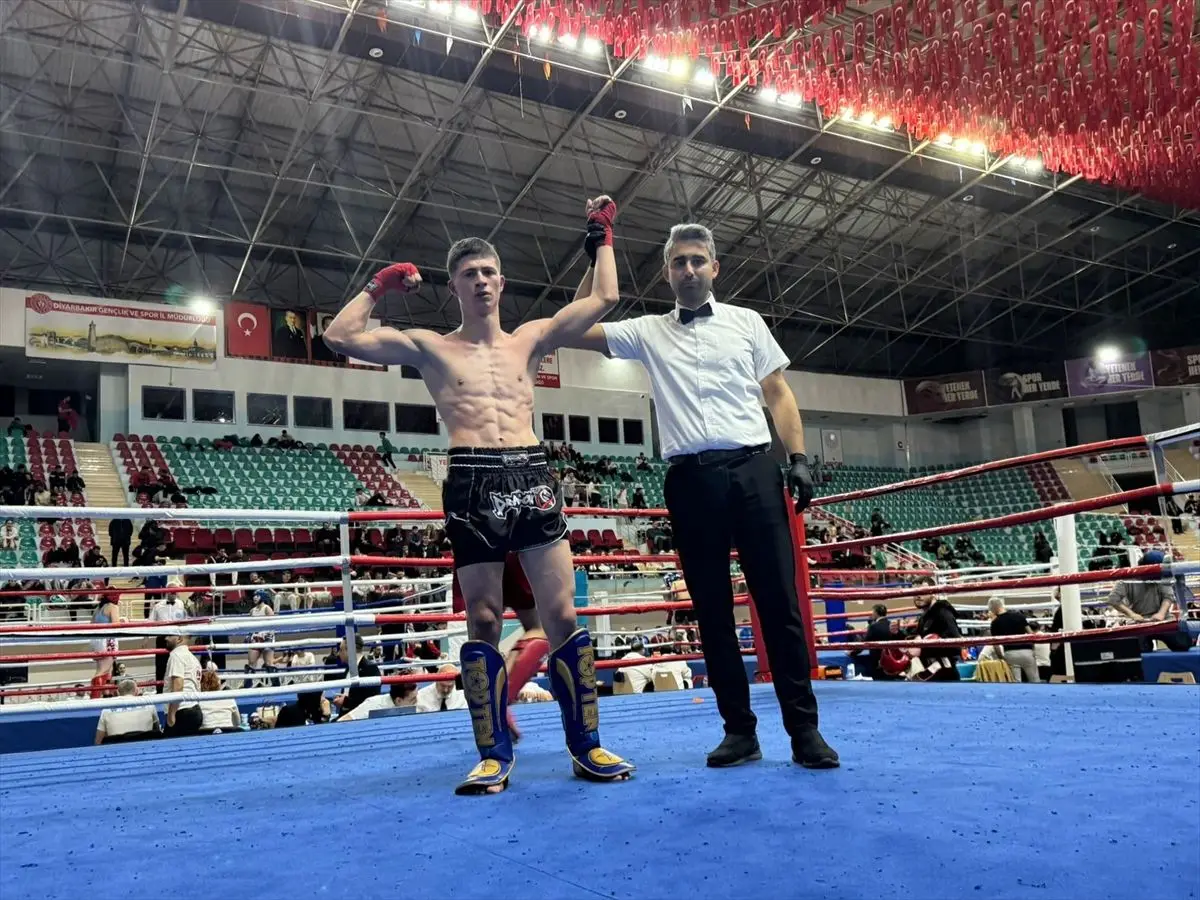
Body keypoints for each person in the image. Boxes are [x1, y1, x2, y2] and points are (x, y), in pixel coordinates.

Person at [322, 195, 634, 794]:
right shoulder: (431, 347)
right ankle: (492, 754)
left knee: (563, 615)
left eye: (489, 272)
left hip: (531, 473)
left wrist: (603, 238)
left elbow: (603, 299)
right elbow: (339, 337)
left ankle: (587, 747)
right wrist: (379, 285)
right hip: (471, 479)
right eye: (470, 274)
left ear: (501, 281)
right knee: (484, 618)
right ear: (455, 287)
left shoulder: (531, 339)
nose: (482, 281)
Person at [559, 221, 838, 770]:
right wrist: (597, 256)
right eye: (679, 262)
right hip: (690, 479)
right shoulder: (647, 330)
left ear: (714, 267)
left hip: (756, 468)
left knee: (779, 605)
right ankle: (740, 731)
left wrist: (799, 458)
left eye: (697, 260)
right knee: (711, 612)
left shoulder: (747, 322)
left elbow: (778, 392)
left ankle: (804, 730)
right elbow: (572, 326)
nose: (688, 269)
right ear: (667, 272)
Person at [450, 553, 549, 743]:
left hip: (473, 540)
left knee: (480, 644)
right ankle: (500, 704)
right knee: (539, 630)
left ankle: (488, 724)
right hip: (513, 541)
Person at [987, 596, 1038, 683]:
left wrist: (1001, 657)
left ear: (992, 609)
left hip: (1010, 653)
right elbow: (1031, 635)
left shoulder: (995, 623)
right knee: (1035, 680)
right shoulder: (1019, 616)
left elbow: (996, 644)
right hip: (1026, 651)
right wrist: (1033, 650)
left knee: (1016, 682)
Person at [162, 632, 203, 736]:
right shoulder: (193, 658)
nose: (166, 638)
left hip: (181, 711)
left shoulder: (176, 655)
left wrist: (171, 714)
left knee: (171, 749)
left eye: (170, 635)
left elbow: (178, 686)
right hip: (194, 708)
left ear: (179, 638)